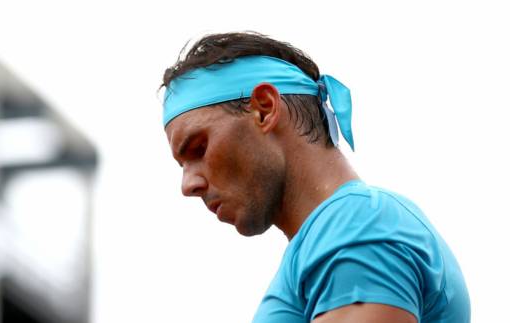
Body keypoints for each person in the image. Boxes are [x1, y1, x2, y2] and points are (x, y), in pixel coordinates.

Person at [160, 32, 470, 323]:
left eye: (199, 148)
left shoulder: (356, 228)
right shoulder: (335, 236)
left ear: (265, 110)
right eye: (182, 165)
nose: (189, 185)